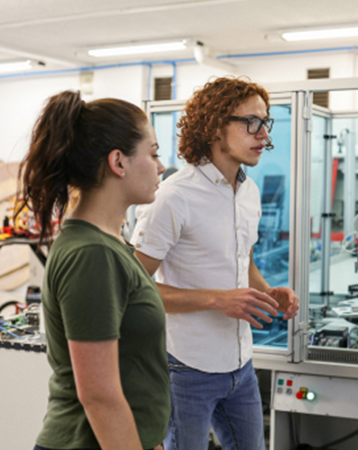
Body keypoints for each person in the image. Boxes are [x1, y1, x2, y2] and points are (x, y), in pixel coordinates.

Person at [132, 76, 300, 450]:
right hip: (186, 367)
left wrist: (268, 292)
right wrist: (216, 300)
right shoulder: (173, 197)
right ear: (215, 127)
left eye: (266, 123)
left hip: (240, 365)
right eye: (251, 123)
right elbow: (132, 290)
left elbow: (245, 262)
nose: (263, 135)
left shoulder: (250, 192)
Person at [16, 90, 169, 450]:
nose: (161, 166)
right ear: (118, 162)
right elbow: (99, 397)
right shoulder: (92, 256)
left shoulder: (108, 244)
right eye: (153, 153)